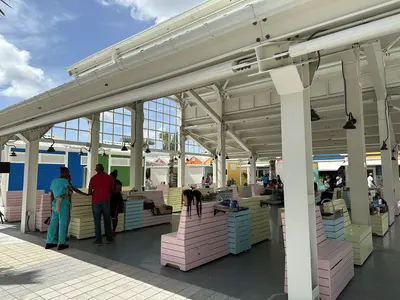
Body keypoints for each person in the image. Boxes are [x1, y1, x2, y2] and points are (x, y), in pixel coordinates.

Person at [54, 173, 88, 242]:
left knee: (65, 221)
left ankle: (61, 235)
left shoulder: (69, 184)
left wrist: (85, 194)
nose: (70, 178)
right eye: (69, 177)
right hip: (62, 205)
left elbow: (76, 190)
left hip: (66, 205)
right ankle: (59, 236)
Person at [45, 167, 72, 251]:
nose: (69, 174)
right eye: (68, 172)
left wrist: (51, 206)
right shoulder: (65, 181)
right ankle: (61, 243)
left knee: (53, 223)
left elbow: (52, 195)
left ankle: (49, 242)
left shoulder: (54, 181)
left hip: (54, 205)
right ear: (64, 173)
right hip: (63, 205)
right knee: (62, 224)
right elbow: (68, 192)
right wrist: (67, 194)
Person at [89, 164, 114, 246]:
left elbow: (89, 192)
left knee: (97, 221)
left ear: (96, 170)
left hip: (96, 201)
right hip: (106, 200)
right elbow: (113, 190)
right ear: (103, 169)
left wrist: (95, 192)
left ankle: (98, 240)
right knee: (107, 220)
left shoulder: (93, 178)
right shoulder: (109, 178)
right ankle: (109, 239)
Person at [110, 170, 123, 236]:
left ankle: (113, 230)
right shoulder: (118, 182)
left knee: (114, 216)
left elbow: (116, 191)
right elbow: (119, 191)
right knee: (114, 216)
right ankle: (113, 230)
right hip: (117, 201)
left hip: (114, 201)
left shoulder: (113, 182)